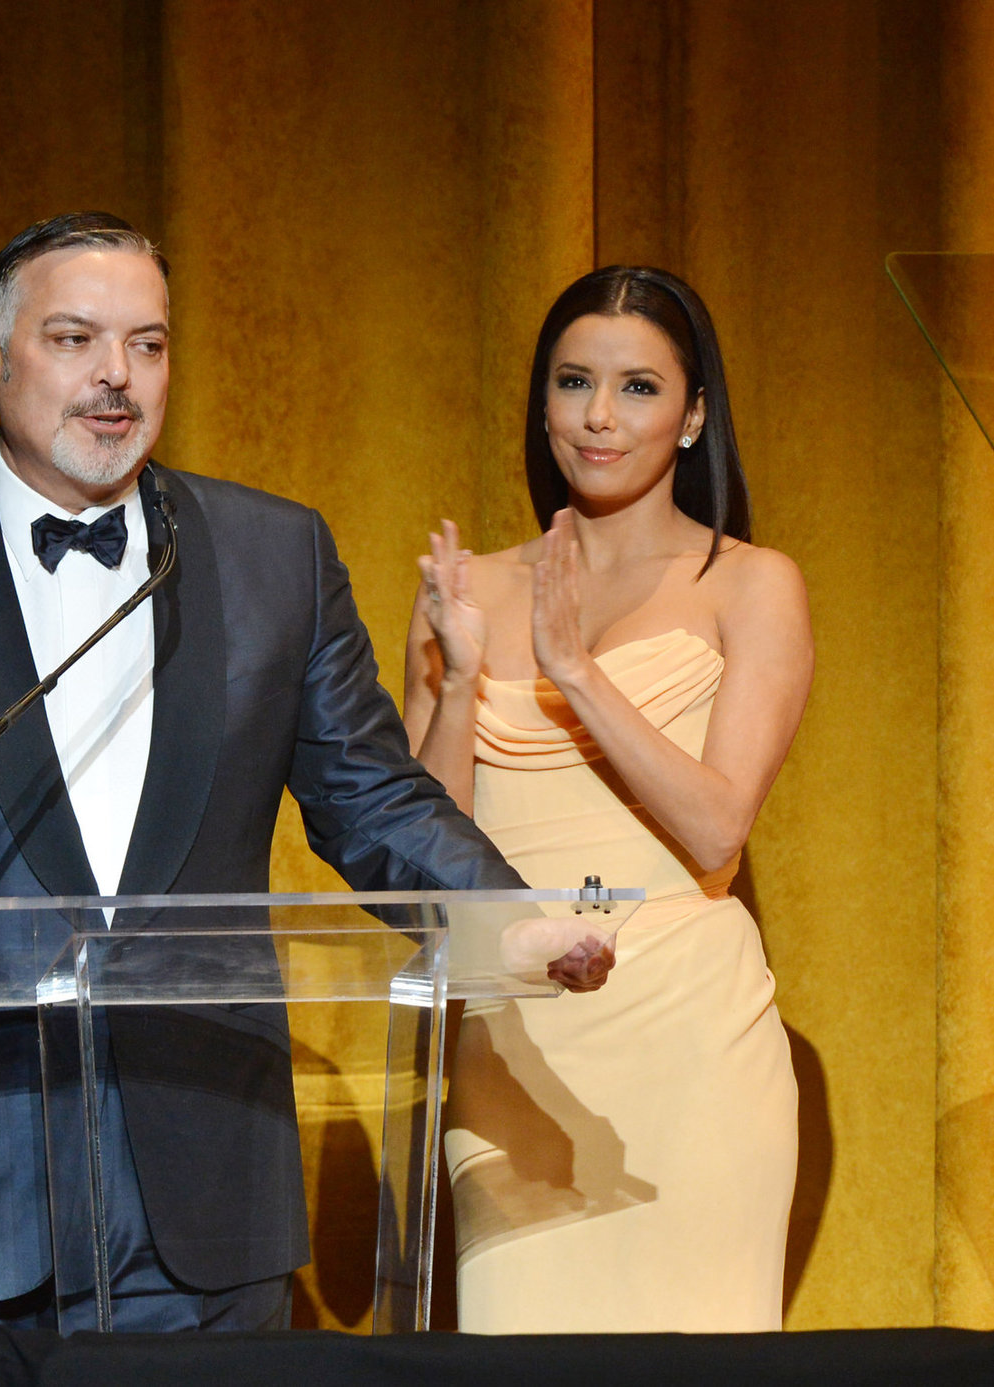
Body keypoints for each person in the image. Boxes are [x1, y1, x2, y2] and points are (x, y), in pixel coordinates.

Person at [0, 211, 537, 1332]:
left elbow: (369, 791)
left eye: (147, 345)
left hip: (205, 1175)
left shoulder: (276, 555)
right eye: (73, 339)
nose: (116, 377)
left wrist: (506, 917)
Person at [406, 265, 811, 1332]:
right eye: (572, 381)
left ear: (691, 417)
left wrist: (572, 670)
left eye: (636, 387)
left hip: (686, 1037)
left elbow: (716, 830)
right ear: (539, 404)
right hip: (514, 1041)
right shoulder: (466, 587)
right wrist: (453, 680)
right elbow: (418, 853)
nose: (596, 415)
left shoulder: (750, 582)